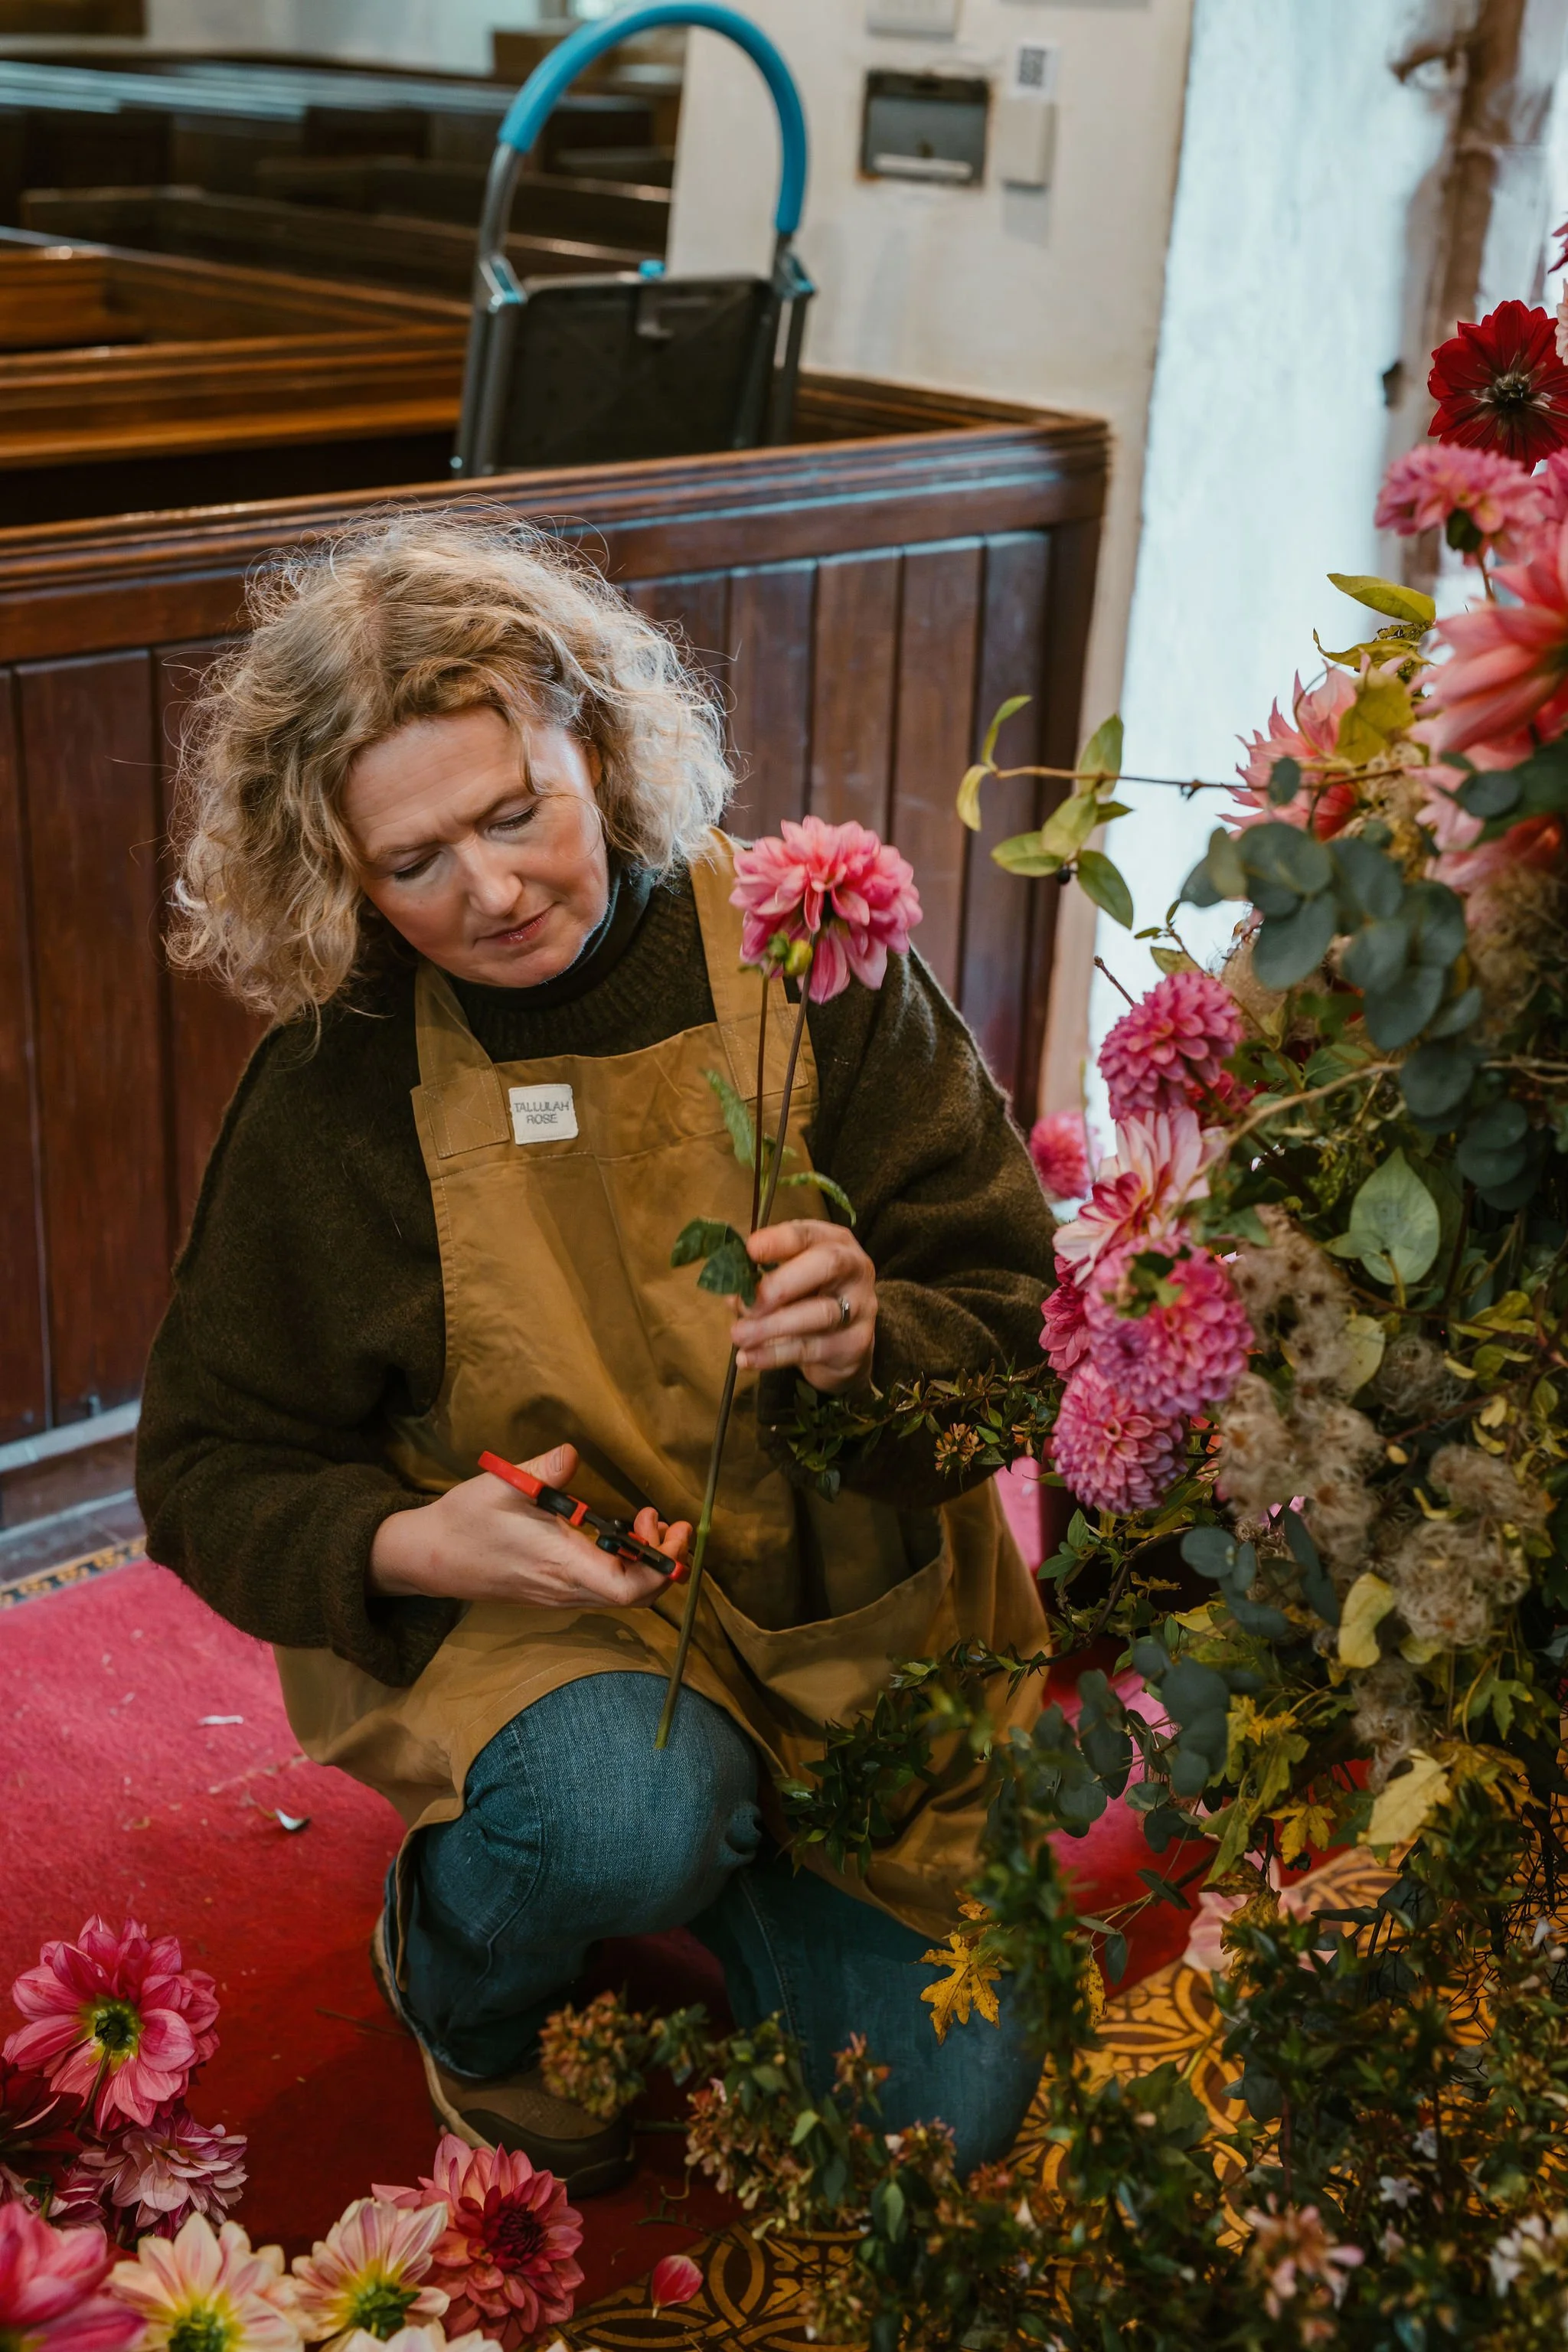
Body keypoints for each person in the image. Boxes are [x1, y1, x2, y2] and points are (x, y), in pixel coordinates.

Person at [136, 512, 1056, 2194]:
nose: (488, 891)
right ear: (338, 873)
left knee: (928, 2135)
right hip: (564, 1642)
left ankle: (740, 1850)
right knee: (618, 1813)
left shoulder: (816, 959)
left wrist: (875, 1342)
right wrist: (408, 1543)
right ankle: (469, 1973)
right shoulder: (341, 1077)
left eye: (515, 811)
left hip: (852, 1632)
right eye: (414, 864)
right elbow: (203, 1466)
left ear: (600, 744)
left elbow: (1012, 1335)